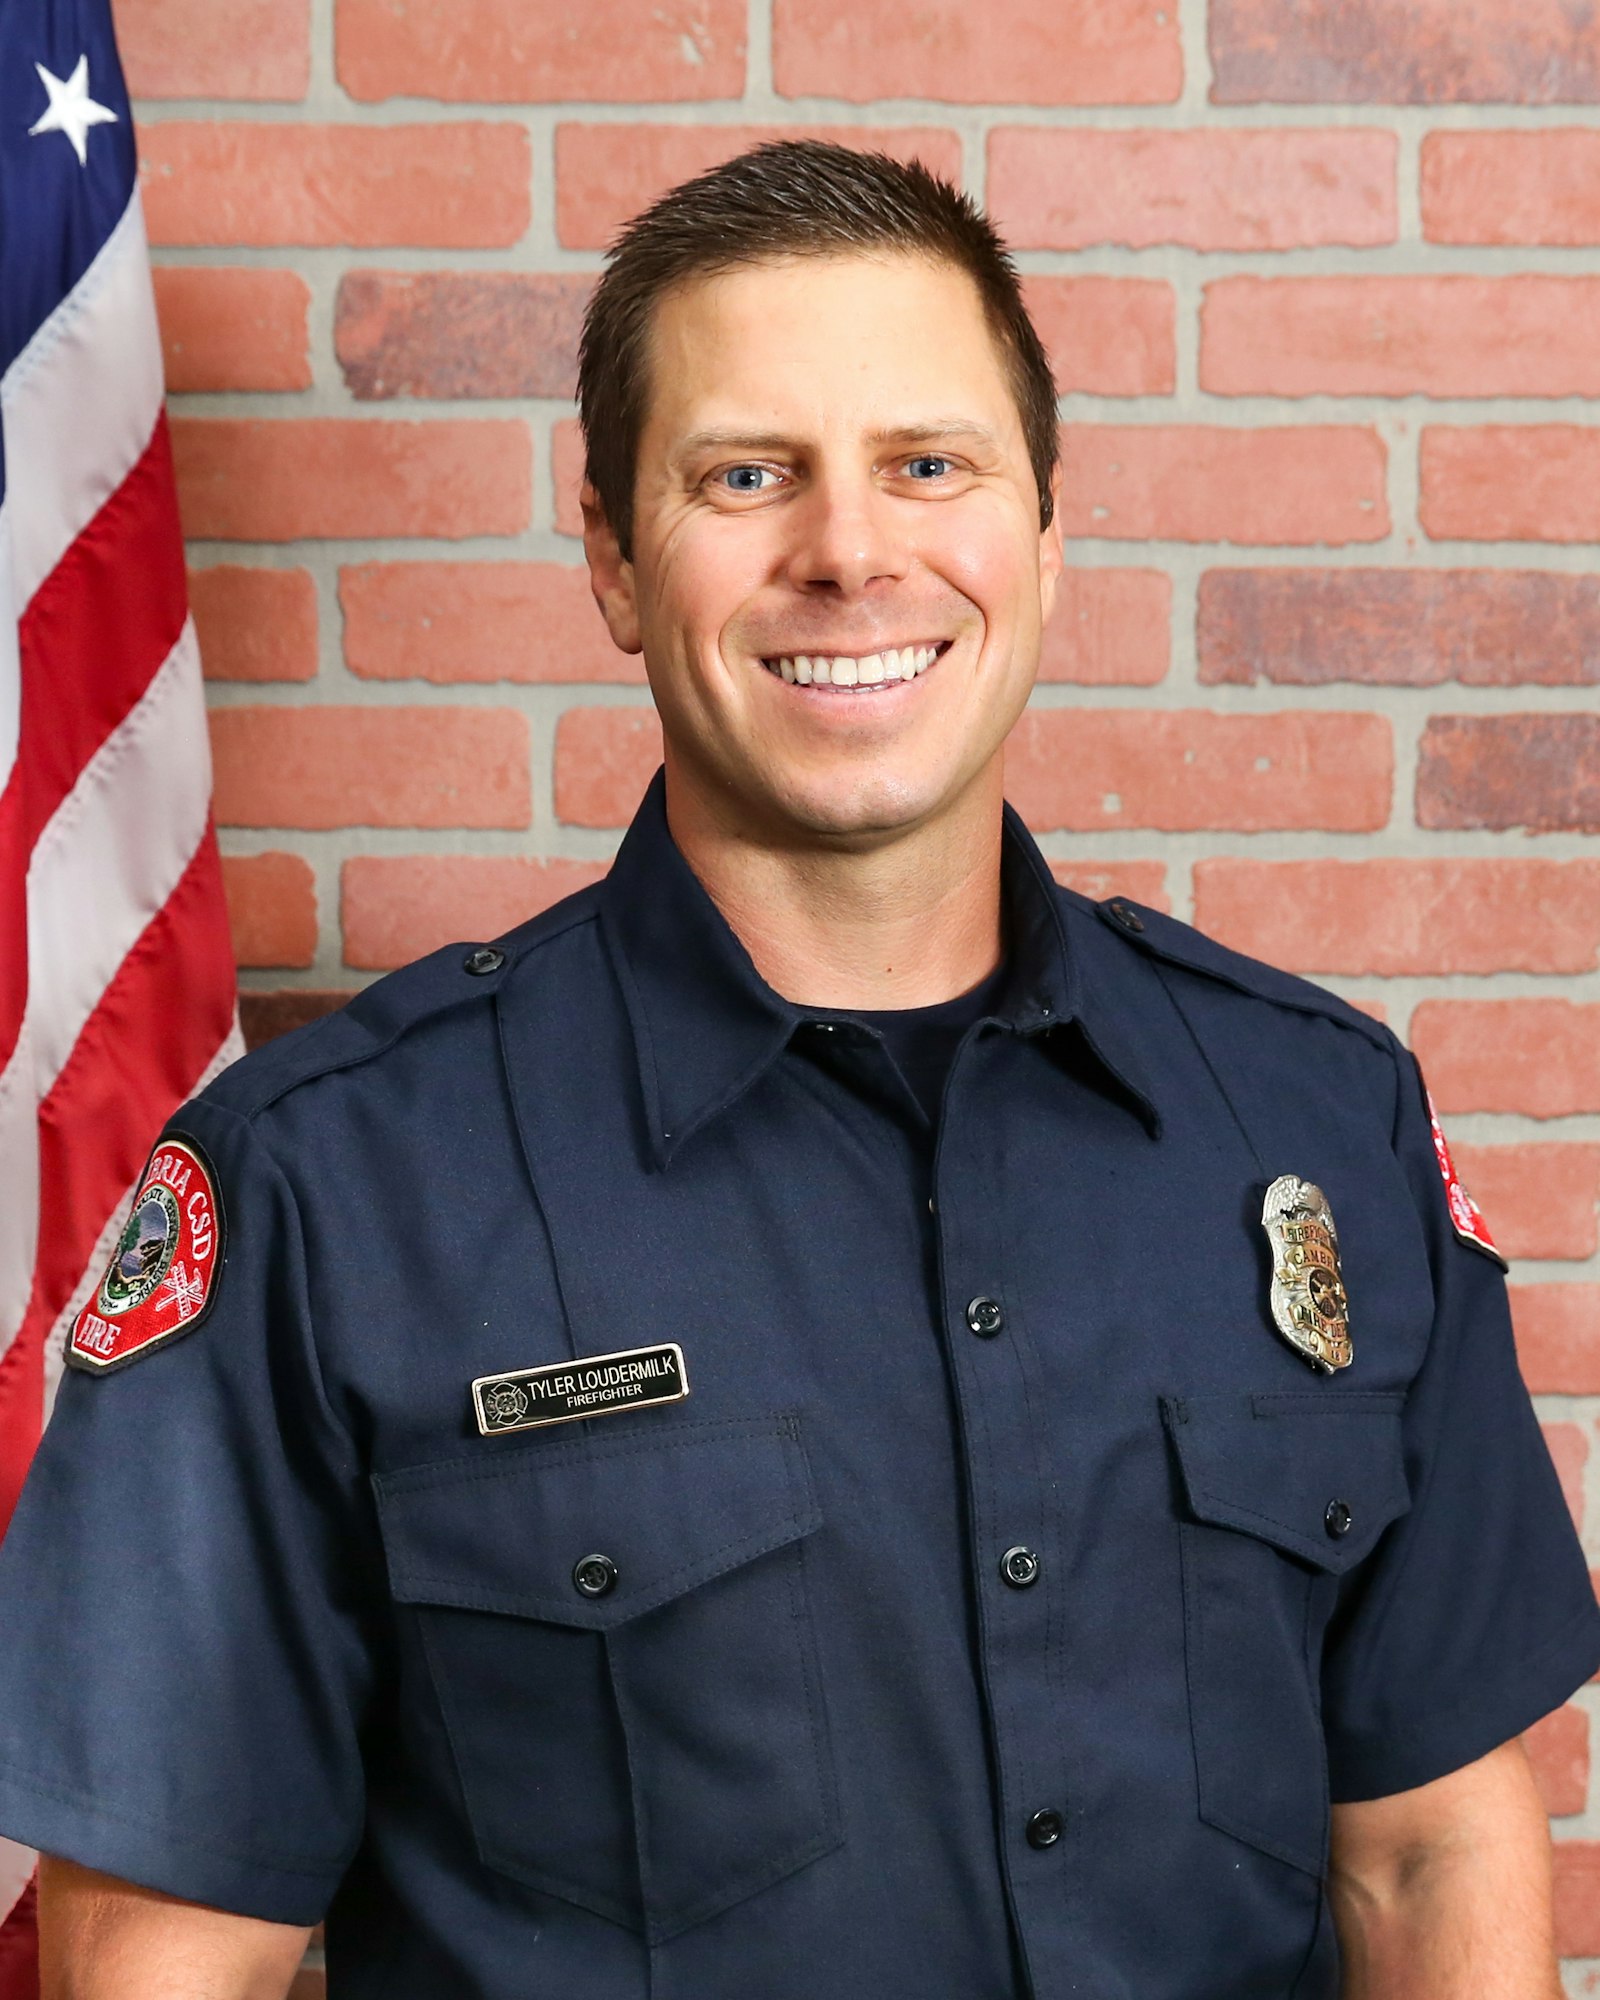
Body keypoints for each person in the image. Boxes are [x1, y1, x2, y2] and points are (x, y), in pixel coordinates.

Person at [0, 140, 1593, 2000]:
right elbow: (164, 1959)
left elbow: (1426, 1850)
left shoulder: (1322, 1125)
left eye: (930, 465)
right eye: (748, 476)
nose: (851, 550)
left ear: (1047, 533)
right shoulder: (327, 1191)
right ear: (609, 553)